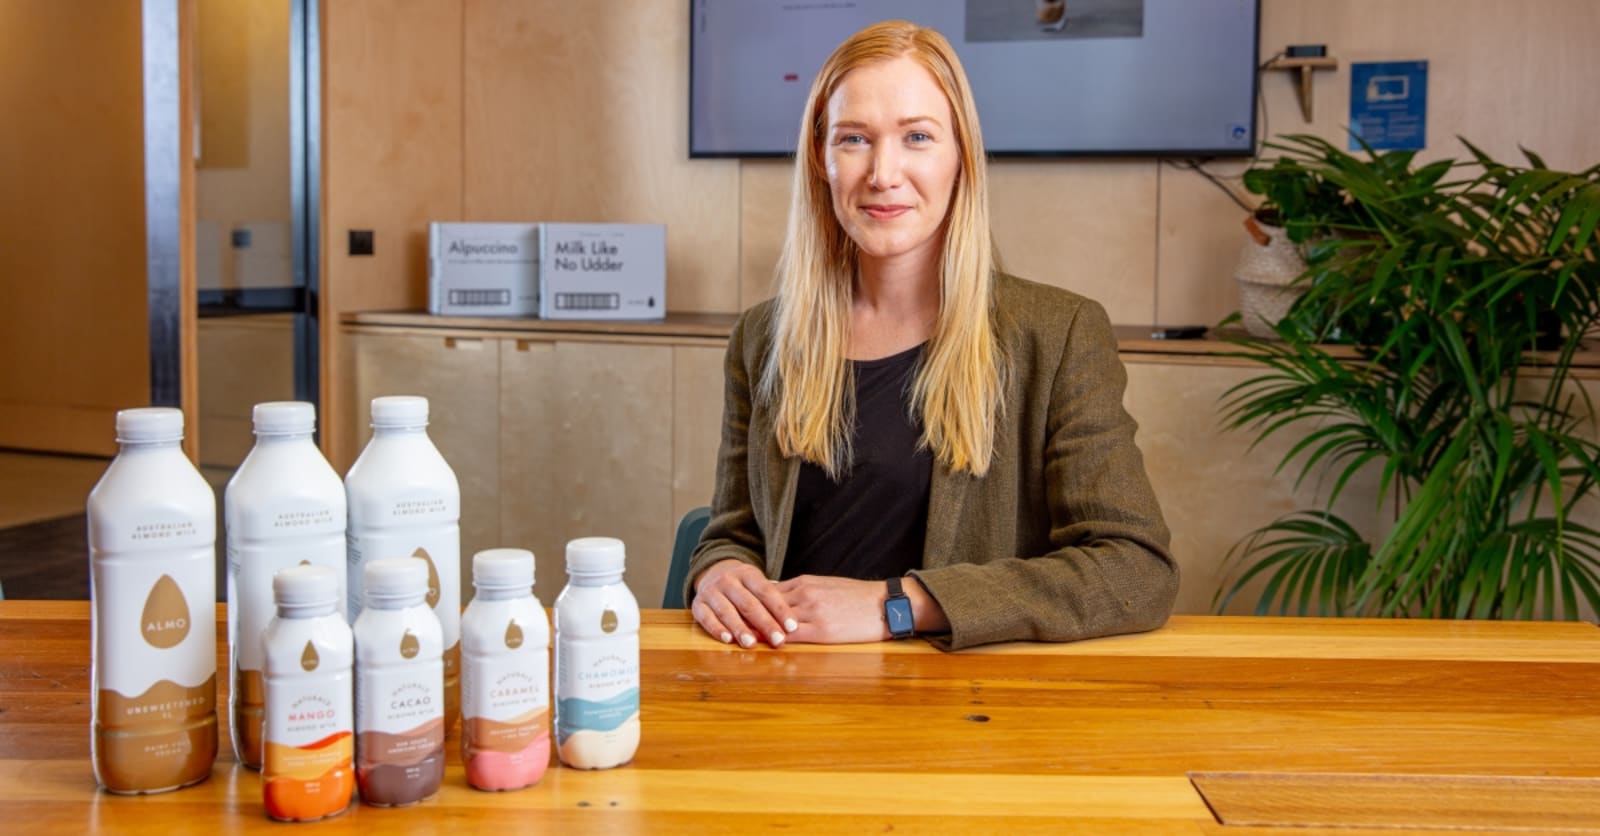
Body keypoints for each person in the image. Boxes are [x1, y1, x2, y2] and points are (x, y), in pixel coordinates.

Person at [685, 20, 1176, 651]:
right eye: (855, 139)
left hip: (962, 710)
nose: (884, 173)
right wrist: (721, 571)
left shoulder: (1057, 335)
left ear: (960, 156)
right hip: (785, 693)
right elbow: (735, 530)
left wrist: (898, 604)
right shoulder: (762, 337)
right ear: (821, 158)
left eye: (917, 136)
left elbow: (1136, 569)